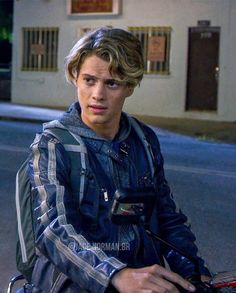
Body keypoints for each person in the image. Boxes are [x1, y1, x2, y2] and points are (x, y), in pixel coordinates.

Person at [28, 27, 211, 293]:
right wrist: (115, 274)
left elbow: (167, 217)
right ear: (75, 78)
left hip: (141, 277)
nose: (98, 95)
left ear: (129, 86)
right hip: (73, 280)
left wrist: (194, 273)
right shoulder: (53, 144)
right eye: (89, 80)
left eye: (111, 83)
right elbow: (54, 230)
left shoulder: (143, 140)